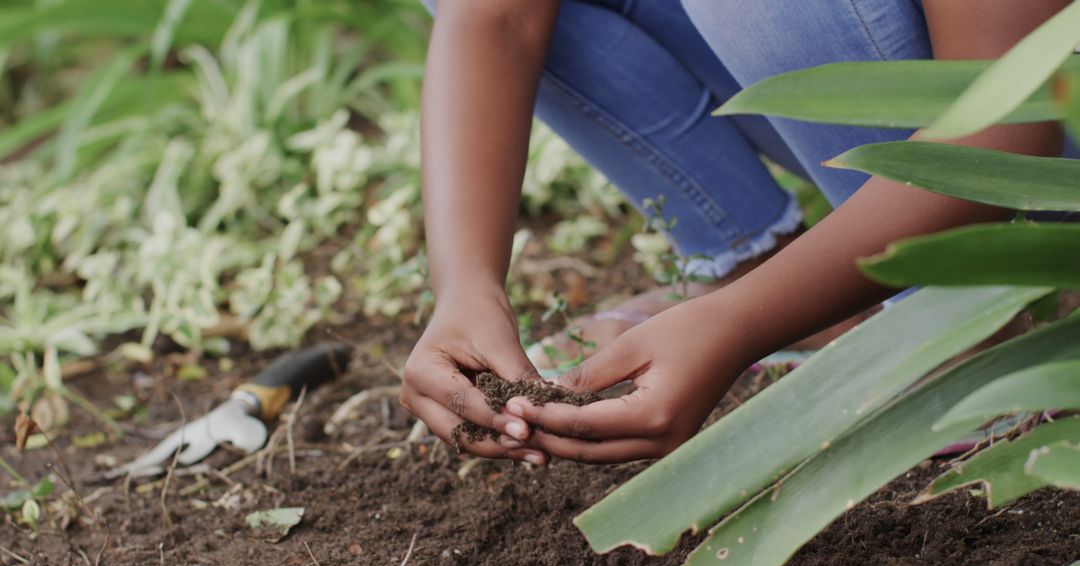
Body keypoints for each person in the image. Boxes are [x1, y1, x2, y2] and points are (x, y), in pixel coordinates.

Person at [400, 0, 1072, 465]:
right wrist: (463, 284)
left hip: (1040, 129)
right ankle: (782, 279)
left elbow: (1010, 129)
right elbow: (498, 14)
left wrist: (736, 326)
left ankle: (978, 314)